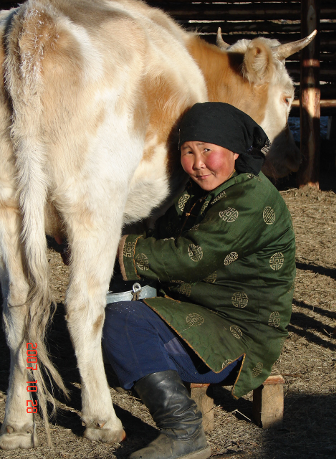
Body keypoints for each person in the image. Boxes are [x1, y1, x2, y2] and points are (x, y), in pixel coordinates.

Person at [102, 102, 296, 459]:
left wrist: (111, 247)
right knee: (106, 309)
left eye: (208, 150)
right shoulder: (196, 191)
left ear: (235, 151)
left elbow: (191, 255)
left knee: (122, 321)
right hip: (199, 310)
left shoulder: (250, 197)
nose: (197, 162)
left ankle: (184, 432)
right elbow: (160, 238)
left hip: (240, 333)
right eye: (188, 151)